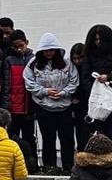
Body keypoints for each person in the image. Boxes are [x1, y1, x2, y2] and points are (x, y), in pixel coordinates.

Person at [24, 33, 80, 171]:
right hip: (44, 108)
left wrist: (64, 93)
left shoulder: (67, 64)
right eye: (46, 50)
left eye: (52, 50)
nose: (49, 53)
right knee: (48, 139)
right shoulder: (33, 65)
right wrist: (45, 91)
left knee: (67, 139)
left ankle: (68, 167)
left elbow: (74, 81)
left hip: (64, 107)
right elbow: (28, 82)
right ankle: (50, 167)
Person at [79, 24, 112, 150]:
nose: (98, 43)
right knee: (99, 133)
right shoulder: (89, 55)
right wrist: (98, 89)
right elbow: (85, 78)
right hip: (98, 101)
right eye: (95, 40)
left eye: (100, 40)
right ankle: (100, 163)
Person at [3, 29, 38, 169]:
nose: (19, 49)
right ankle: (11, 165)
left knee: (30, 138)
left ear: (27, 43)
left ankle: (32, 165)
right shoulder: (9, 60)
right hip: (13, 108)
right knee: (11, 138)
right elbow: (6, 83)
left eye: (21, 45)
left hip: (29, 107)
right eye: (15, 46)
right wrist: (7, 104)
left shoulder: (34, 59)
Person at [69, 42, 91, 151]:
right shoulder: (71, 70)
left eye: (80, 58)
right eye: (75, 59)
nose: (78, 61)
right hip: (75, 108)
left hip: (87, 107)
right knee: (78, 136)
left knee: (85, 136)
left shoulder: (89, 69)